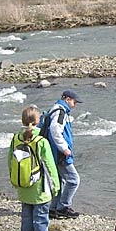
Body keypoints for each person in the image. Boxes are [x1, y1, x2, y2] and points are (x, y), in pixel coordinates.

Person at [9, 106, 60, 231]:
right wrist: (56, 186)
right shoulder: (41, 141)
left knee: (26, 218)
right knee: (41, 220)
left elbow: (10, 162)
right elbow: (50, 165)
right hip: (40, 188)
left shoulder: (15, 138)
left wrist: (14, 181)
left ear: (22, 120)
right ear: (38, 121)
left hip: (23, 186)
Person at [45, 89, 83, 219]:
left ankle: (53, 208)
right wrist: (64, 148)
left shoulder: (56, 109)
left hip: (53, 152)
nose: (75, 105)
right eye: (74, 102)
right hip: (59, 153)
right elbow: (55, 131)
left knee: (59, 181)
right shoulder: (60, 112)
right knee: (73, 180)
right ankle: (63, 207)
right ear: (67, 99)